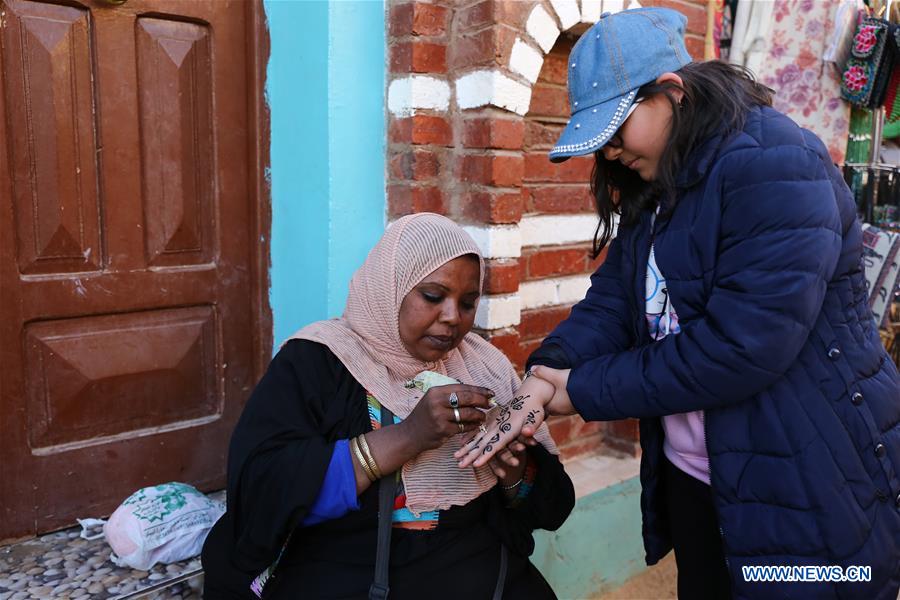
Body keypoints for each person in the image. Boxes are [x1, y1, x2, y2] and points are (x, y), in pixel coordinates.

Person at [457, 7, 900, 600]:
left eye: (616, 131)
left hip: (804, 474)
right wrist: (545, 372)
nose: (611, 153)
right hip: (701, 478)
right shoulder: (660, 183)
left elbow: (742, 346)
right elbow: (615, 299)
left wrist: (581, 389)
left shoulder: (777, 165)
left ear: (672, 91)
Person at [202, 213, 574, 599]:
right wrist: (408, 436)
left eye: (467, 302)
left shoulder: (485, 366)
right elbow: (263, 490)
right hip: (345, 563)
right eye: (432, 296)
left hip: (471, 563)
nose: (452, 318)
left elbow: (551, 507)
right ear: (390, 287)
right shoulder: (318, 359)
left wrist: (515, 471)